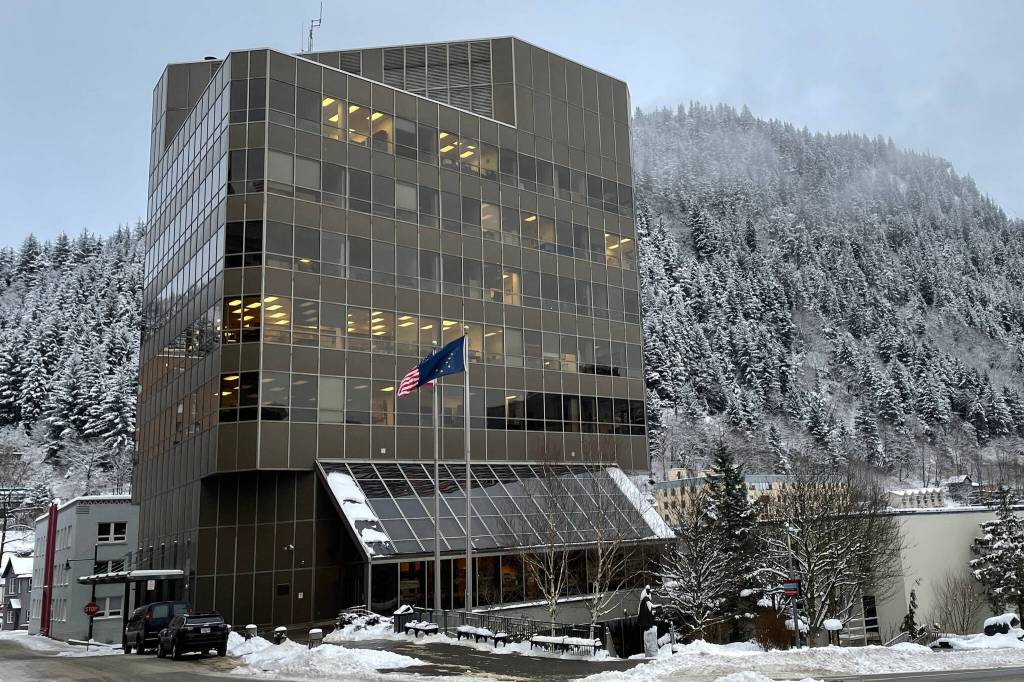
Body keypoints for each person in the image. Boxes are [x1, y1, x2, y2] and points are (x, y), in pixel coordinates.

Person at [638, 585, 659, 657]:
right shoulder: (645, 598)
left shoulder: (645, 598)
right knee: (648, 623)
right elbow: (649, 606)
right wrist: (654, 607)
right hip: (646, 617)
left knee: (648, 623)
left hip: (646, 616)